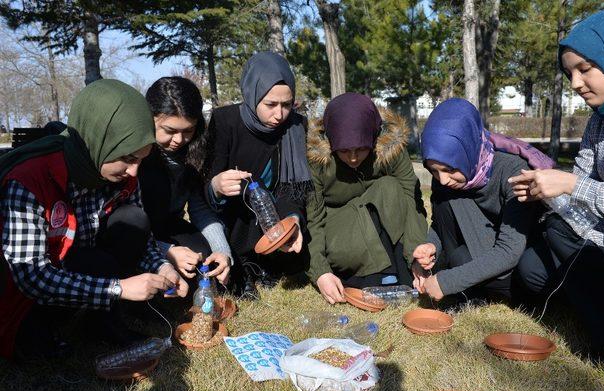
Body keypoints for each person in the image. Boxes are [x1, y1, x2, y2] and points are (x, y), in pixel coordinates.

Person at [510, 9, 604, 391]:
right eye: (570, 74)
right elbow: (581, 180)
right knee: (538, 261)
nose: (576, 85)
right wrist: (548, 193)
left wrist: (571, 187)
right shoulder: (600, 122)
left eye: (585, 69)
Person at [0, 79, 188, 360]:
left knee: (133, 219)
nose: (135, 172)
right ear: (97, 140)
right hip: (24, 296)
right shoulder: (29, 179)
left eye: (141, 159)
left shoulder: (122, 174)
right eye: (127, 157)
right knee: (34, 348)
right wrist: (119, 288)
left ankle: (103, 323)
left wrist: (162, 267)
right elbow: (31, 277)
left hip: (78, 265)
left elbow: (142, 238)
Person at [202, 52, 311, 299]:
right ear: (252, 96)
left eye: (287, 104)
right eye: (271, 104)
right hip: (233, 213)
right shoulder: (225, 121)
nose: (280, 114)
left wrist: (292, 219)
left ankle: (267, 265)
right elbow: (205, 186)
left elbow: (293, 188)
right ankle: (244, 267)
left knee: (298, 248)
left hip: (274, 211)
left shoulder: (295, 126)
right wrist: (216, 186)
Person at [414, 98, 543, 303]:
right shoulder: (444, 175)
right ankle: (470, 289)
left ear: (469, 150)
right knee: (459, 257)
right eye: (433, 171)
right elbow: (440, 224)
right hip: (476, 247)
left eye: (450, 169)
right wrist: (431, 246)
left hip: (516, 261)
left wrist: (448, 282)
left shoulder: (512, 172)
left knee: (463, 261)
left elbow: (509, 251)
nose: (442, 179)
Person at [305, 92, 430, 304]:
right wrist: (320, 272)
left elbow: (411, 199)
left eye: (361, 149)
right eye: (344, 151)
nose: (353, 158)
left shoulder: (391, 149)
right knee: (371, 205)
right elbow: (312, 219)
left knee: (390, 186)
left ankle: (402, 270)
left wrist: (416, 253)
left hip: (383, 221)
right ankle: (375, 276)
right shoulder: (317, 160)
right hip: (341, 235)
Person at [140, 77, 232, 287]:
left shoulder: (195, 153)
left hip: (171, 225)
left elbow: (198, 206)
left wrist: (221, 250)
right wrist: (167, 251)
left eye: (188, 131)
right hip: (138, 232)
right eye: (170, 131)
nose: (179, 141)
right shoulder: (136, 159)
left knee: (204, 259)